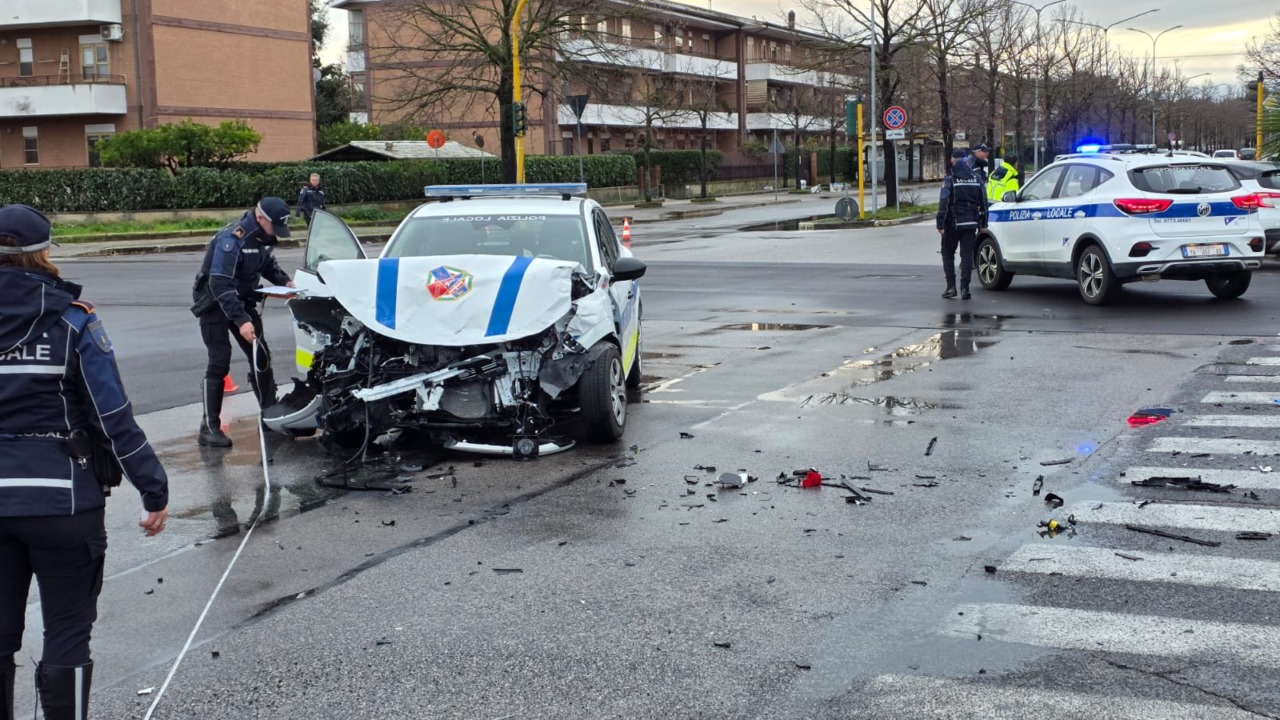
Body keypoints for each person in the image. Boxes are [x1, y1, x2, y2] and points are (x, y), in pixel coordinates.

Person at [0, 204, 169, 719]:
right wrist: (153, 489)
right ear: (42, 252)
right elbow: (112, 414)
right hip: (63, 499)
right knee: (68, 630)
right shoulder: (74, 321)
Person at [191, 198, 296, 448]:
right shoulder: (233, 239)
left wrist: (287, 282)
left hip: (241, 299)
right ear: (261, 219)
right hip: (214, 303)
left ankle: (270, 414)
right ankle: (209, 427)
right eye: (275, 227)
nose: (277, 234)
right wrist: (241, 321)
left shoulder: (263, 238)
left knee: (260, 355)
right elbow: (219, 283)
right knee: (219, 359)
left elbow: (268, 265)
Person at [936, 148, 989, 300]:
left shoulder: (949, 179)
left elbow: (944, 203)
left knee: (947, 253)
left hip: (953, 223)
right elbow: (983, 202)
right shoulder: (976, 178)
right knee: (966, 255)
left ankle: (951, 287)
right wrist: (983, 223)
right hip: (971, 223)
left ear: (953, 161)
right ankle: (965, 288)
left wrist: (940, 224)